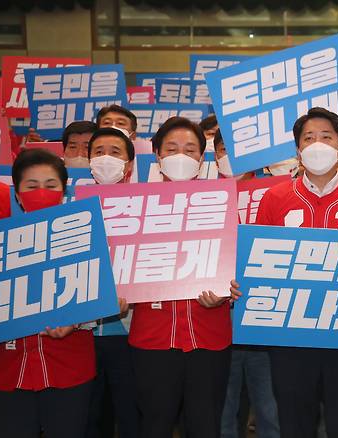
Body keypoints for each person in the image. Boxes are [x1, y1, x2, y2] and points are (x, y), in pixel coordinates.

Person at [236, 107, 338, 438]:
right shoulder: (275, 198)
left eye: (326, 137)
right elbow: (258, 261)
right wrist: (245, 287)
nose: (316, 144)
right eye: (308, 138)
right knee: (295, 422)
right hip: (290, 338)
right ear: (297, 150)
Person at [129, 117, 235, 438]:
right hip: (153, 337)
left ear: (202, 159)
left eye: (190, 150)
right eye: (172, 148)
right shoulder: (132, 207)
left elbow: (236, 264)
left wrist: (227, 290)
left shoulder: (221, 203)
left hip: (209, 334)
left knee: (205, 425)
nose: (181, 156)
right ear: (157, 155)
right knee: (155, 425)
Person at [0, 149, 97, 438]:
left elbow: (98, 298)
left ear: (63, 192)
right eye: (31, 185)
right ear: (17, 194)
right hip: (8, 369)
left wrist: (75, 321)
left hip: (69, 366)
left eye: (51, 185)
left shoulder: (85, 236)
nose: (41, 192)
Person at [85, 128, 139, 438]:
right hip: (83, 332)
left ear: (129, 164)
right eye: (99, 151)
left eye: (116, 151)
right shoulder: (69, 206)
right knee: (90, 417)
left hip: (129, 331)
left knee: (130, 412)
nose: (106, 157)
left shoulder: (148, 206)